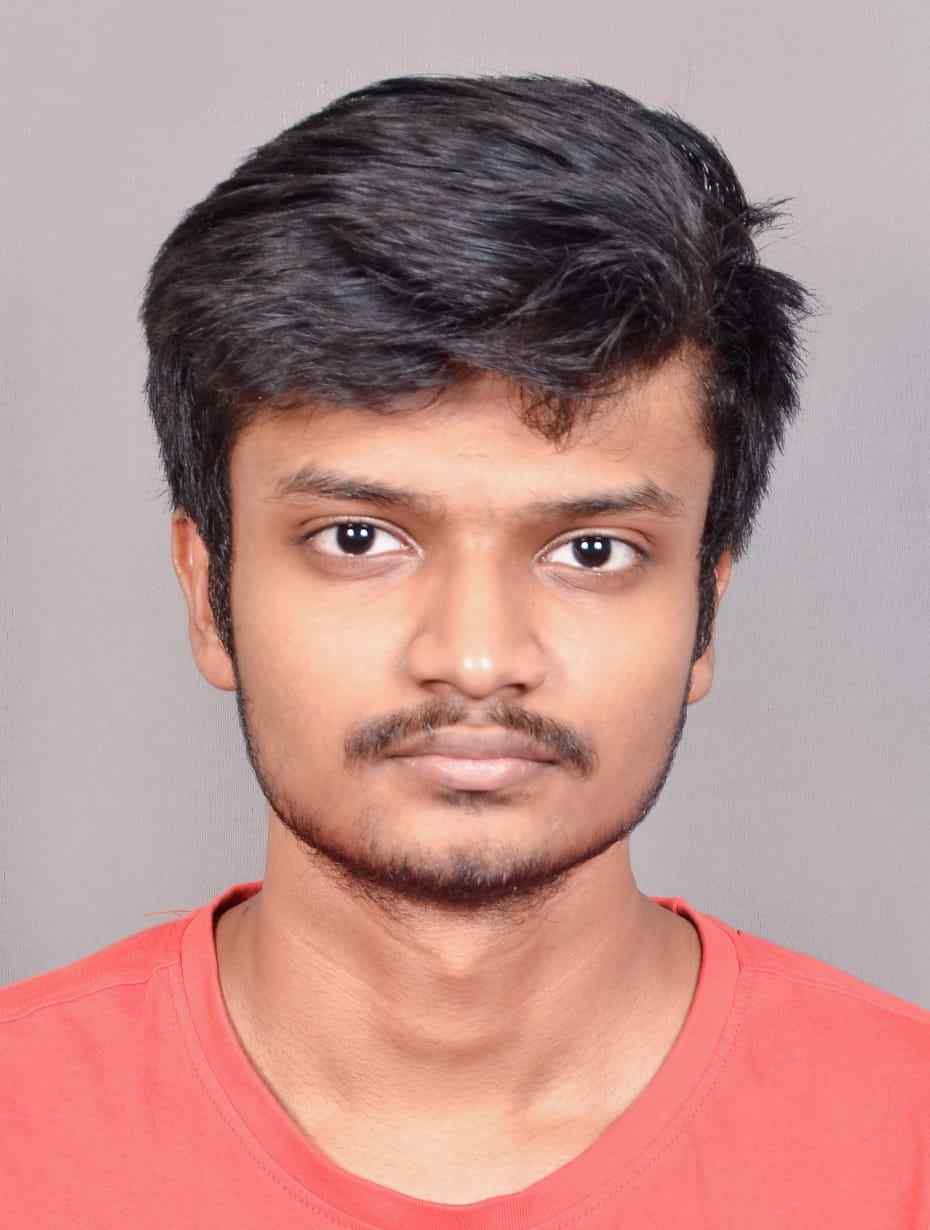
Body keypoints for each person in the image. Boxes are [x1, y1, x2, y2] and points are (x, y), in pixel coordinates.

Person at [2, 73, 927, 1226]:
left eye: (591, 551)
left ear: (705, 609)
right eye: (358, 538)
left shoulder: (905, 1141)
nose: (478, 660)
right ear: (208, 594)